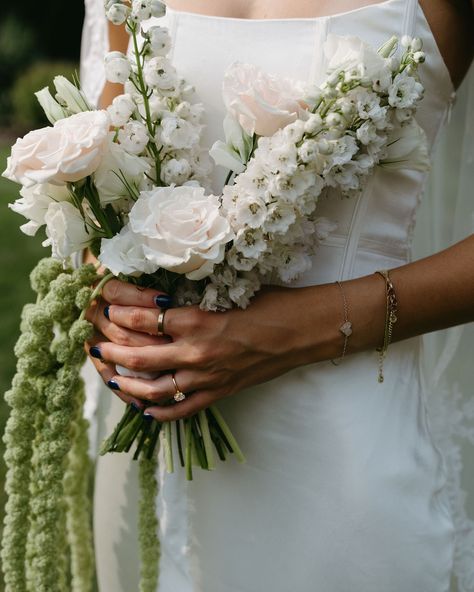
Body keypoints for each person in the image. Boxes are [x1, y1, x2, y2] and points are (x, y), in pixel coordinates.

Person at [79, 1, 474, 590]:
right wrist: (103, 273)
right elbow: (104, 151)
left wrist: (286, 330)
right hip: (144, 434)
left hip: (338, 461)